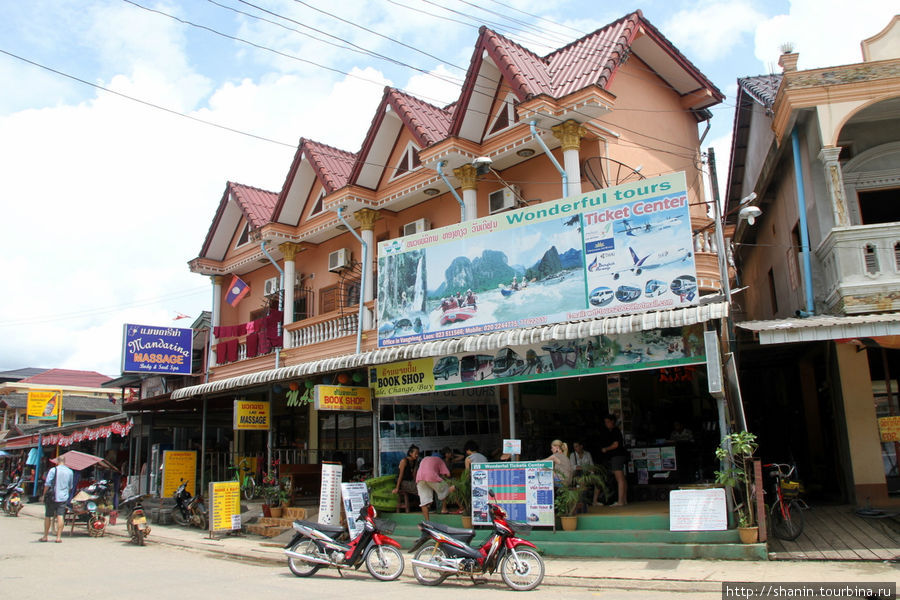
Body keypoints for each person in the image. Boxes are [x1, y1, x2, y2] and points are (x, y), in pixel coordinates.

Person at [41, 455, 74, 543]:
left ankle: (45, 536)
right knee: (60, 516)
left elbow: (47, 484)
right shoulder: (70, 472)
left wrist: (43, 495)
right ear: (65, 461)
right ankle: (58, 537)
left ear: (57, 462)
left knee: (48, 516)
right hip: (63, 497)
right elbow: (70, 486)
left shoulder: (53, 470)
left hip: (52, 496)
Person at [415, 451, 455, 521]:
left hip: (419, 478)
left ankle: (427, 522)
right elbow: (448, 474)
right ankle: (444, 509)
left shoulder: (424, 459)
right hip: (431, 477)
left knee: (424, 502)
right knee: (447, 488)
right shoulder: (439, 460)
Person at [597, 414, 628, 506]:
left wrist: (606, 449)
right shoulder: (612, 431)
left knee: (619, 478)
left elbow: (616, 445)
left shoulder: (615, 431)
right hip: (618, 456)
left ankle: (620, 501)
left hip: (617, 456)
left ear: (612, 422)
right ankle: (624, 500)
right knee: (622, 478)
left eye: (607, 422)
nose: (606, 424)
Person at [391, 445, 419, 512]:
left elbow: (414, 475)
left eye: (418, 454)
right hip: (403, 482)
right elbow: (400, 475)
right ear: (410, 453)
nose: (417, 455)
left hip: (410, 481)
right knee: (419, 489)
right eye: (416, 453)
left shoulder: (415, 462)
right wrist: (397, 488)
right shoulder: (404, 461)